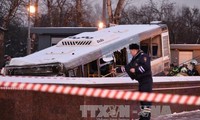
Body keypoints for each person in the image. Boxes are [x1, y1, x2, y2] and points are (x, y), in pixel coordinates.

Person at [112, 43, 152, 120]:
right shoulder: (135, 58)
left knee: (146, 101)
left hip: (147, 81)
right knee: (143, 101)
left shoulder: (143, 56)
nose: (130, 52)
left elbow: (146, 66)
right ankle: (143, 117)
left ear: (135, 50)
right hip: (141, 82)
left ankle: (146, 118)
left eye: (131, 51)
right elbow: (128, 67)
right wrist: (117, 70)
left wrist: (135, 70)